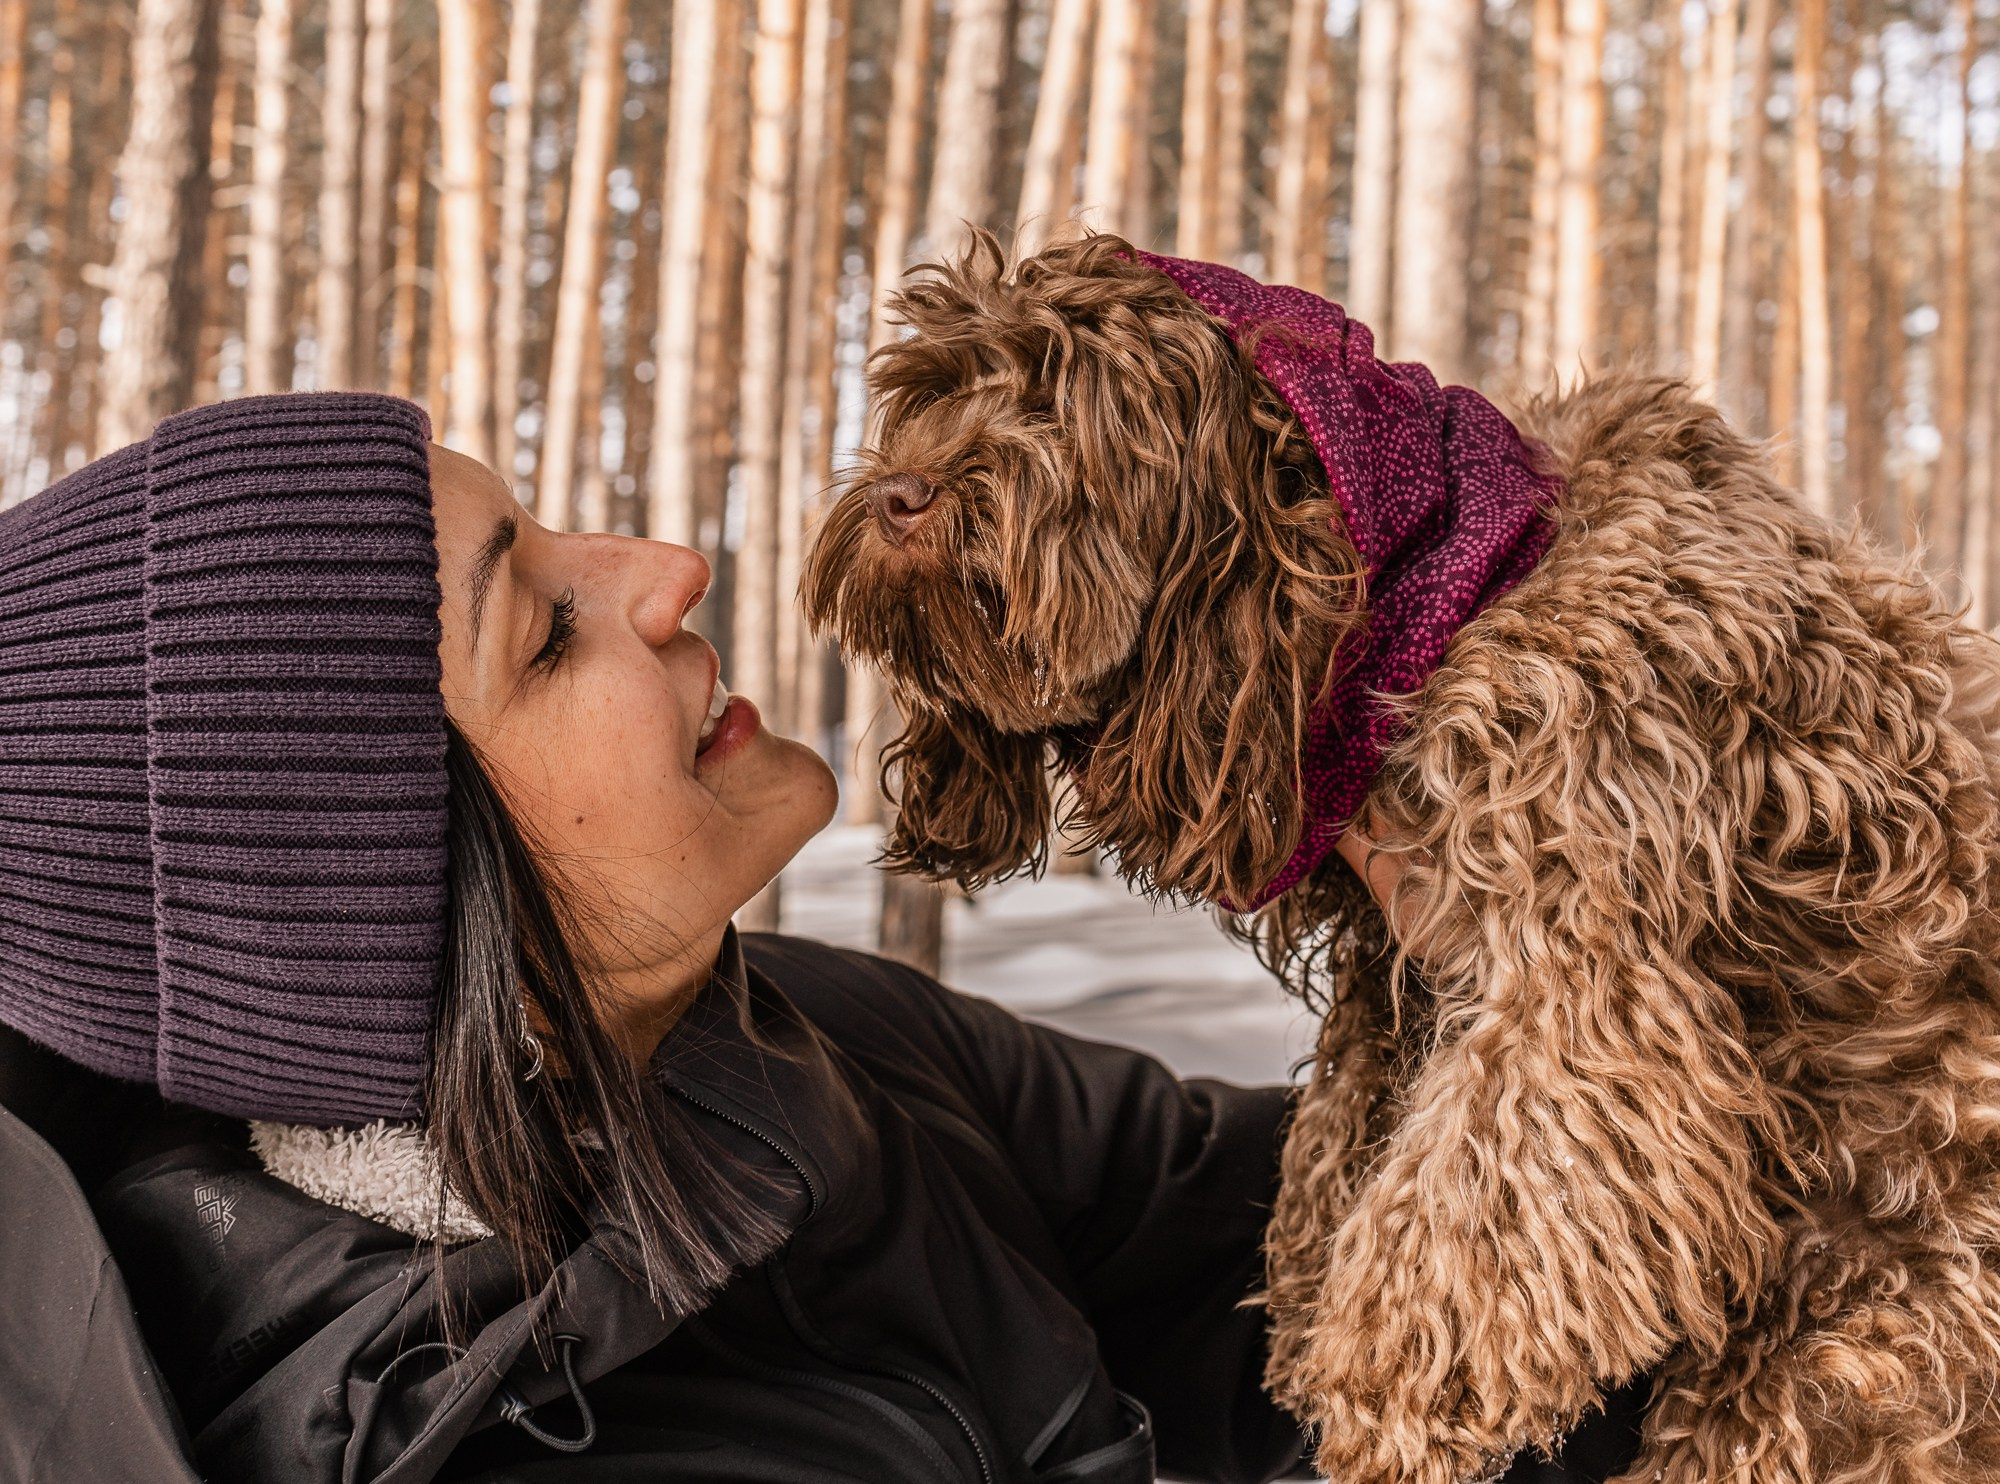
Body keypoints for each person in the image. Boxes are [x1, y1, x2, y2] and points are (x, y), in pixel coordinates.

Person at [0, 392, 1307, 1484]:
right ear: (373, 923)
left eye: (551, 536)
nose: (670, 567)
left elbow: (1269, 1245)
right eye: (546, 633)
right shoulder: (471, 1440)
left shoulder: (777, 1032)